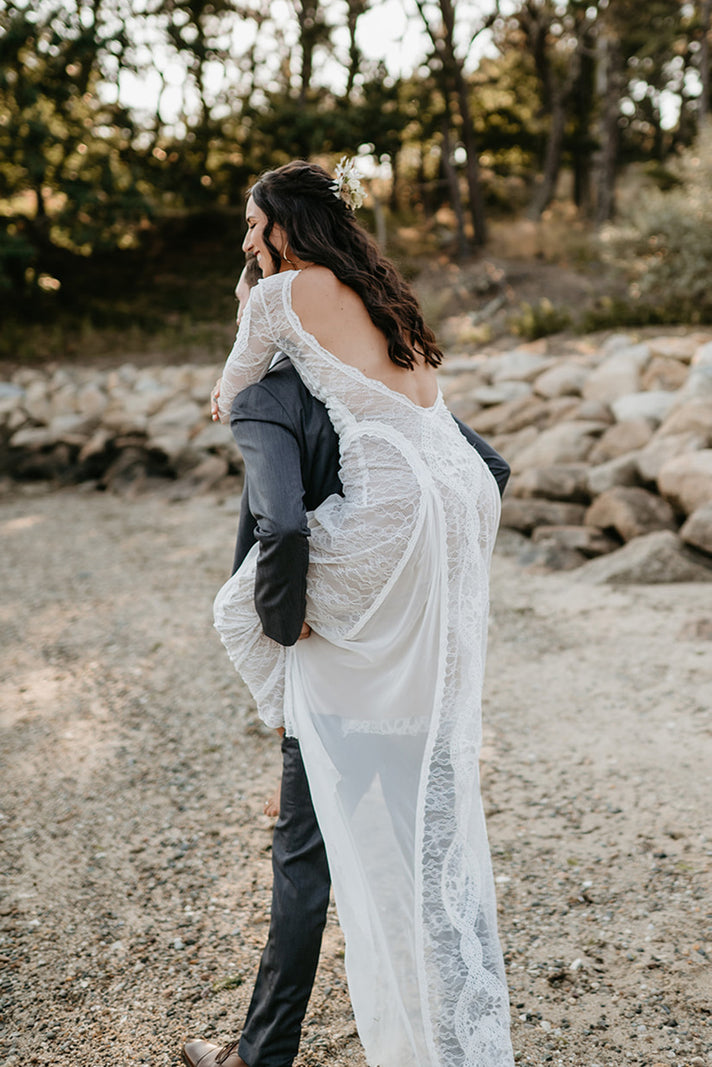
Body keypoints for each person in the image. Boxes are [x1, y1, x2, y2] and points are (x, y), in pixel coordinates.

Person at [197, 159, 515, 1067]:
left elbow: (231, 395)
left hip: (393, 502)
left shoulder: (277, 294)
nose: (247, 239)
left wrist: (253, 302)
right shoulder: (383, 294)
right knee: (431, 782)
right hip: (457, 494)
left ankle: (299, 741)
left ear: (283, 228)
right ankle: (314, 753)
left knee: (247, 608)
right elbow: (479, 454)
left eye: (254, 224)